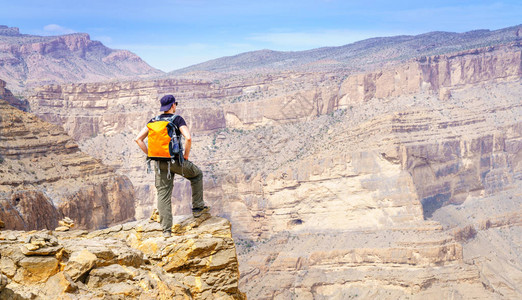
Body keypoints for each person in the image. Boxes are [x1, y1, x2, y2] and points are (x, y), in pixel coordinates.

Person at [135, 95, 209, 238]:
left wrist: (150, 154)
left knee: (163, 195)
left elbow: (138, 139)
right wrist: (186, 155)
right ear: (173, 106)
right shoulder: (177, 119)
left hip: (159, 163)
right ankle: (198, 209)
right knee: (197, 175)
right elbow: (188, 138)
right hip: (176, 161)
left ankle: (166, 231)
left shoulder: (153, 120)